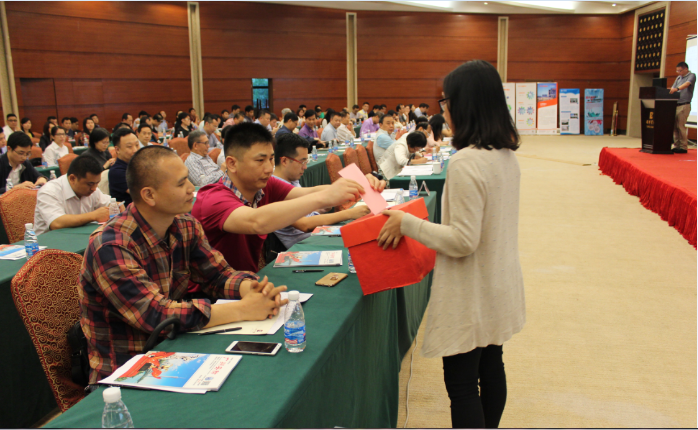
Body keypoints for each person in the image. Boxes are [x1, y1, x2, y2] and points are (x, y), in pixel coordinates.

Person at [378, 60, 524, 429]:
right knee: (491, 365)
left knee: (462, 385)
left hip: (471, 288)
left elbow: (462, 240)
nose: (443, 110)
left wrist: (407, 223)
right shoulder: (504, 154)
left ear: (464, 104)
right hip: (497, 281)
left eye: (446, 101)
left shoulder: (466, 162)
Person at [79, 145, 287, 384]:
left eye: (188, 179)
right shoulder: (111, 246)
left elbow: (217, 275)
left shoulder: (185, 225)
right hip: (127, 373)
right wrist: (243, 309)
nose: (191, 188)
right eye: (181, 184)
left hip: (177, 351)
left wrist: (251, 289)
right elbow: (156, 315)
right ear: (149, 195)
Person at [192, 122, 385, 272]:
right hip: (213, 297)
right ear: (232, 164)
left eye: (270, 159)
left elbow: (307, 192)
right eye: (260, 160)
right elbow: (256, 222)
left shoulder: (265, 184)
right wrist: (326, 197)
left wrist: (358, 185)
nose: (269, 168)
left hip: (248, 281)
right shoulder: (213, 199)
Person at [272, 133, 370, 248]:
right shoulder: (274, 188)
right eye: (302, 162)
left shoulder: (291, 180)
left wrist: (321, 208)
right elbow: (305, 224)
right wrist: (349, 213)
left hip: (315, 235)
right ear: (284, 161)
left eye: (306, 162)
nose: (305, 167)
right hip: (304, 245)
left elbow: (306, 204)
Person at [34, 156, 113, 235]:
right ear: (72, 179)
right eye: (90, 184)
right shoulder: (48, 191)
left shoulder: (92, 188)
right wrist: (94, 215)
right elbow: (56, 223)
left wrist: (115, 207)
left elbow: (110, 203)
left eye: (97, 183)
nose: (94, 188)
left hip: (78, 236)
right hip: (50, 240)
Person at [670, 61, 696, 154]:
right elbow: (673, 88)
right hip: (676, 104)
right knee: (675, 127)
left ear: (686, 69)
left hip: (684, 105)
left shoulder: (691, 75)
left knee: (680, 126)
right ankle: (676, 145)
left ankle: (683, 147)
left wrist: (677, 89)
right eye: (677, 71)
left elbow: (686, 85)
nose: (678, 73)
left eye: (680, 71)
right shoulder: (678, 78)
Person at [109, 127, 139, 206]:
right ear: (117, 150)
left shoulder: (138, 165)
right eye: (129, 146)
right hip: (129, 211)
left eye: (137, 145)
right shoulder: (116, 172)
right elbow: (141, 194)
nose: (135, 150)